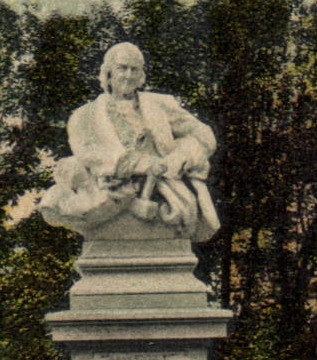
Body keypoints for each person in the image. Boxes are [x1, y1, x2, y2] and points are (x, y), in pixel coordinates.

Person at [39, 43, 219, 241]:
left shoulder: (160, 105)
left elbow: (203, 135)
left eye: (134, 70)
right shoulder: (84, 116)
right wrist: (138, 164)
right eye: (122, 68)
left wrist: (180, 156)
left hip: (162, 188)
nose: (128, 75)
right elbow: (86, 153)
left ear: (141, 75)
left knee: (184, 207)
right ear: (108, 73)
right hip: (104, 187)